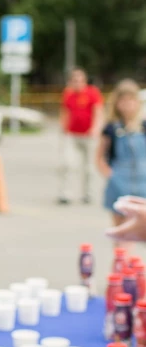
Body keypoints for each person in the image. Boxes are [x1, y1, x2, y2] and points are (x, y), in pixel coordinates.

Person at [96, 79, 146, 231]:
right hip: (119, 182)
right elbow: (99, 155)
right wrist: (110, 175)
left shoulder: (143, 127)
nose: (127, 105)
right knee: (122, 229)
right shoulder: (111, 128)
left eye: (131, 100)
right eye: (123, 100)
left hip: (142, 181)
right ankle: (122, 255)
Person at [58, 67, 104, 204]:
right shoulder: (68, 94)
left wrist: (95, 128)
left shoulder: (92, 93)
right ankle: (66, 194)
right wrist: (63, 127)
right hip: (72, 134)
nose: (77, 83)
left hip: (89, 135)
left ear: (84, 80)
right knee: (68, 164)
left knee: (89, 167)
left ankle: (88, 194)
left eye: (79, 80)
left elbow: (99, 112)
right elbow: (64, 111)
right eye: (74, 80)